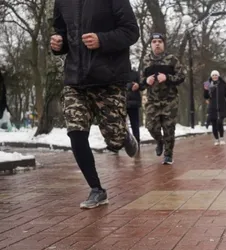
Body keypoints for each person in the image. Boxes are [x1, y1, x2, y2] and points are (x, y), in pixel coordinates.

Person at [50, 0, 140, 209]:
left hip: (109, 78)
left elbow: (131, 31)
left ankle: (123, 135)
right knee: (76, 129)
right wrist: (58, 43)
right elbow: (62, 33)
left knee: (114, 140)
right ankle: (97, 189)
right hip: (75, 79)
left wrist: (102, 39)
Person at [136, 33, 185, 165]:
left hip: (170, 100)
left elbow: (181, 77)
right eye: (154, 42)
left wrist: (168, 78)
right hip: (152, 100)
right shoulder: (146, 61)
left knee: (169, 128)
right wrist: (146, 80)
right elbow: (140, 82)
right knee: (151, 126)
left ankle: (168, 155)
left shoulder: (172, 60)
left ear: (164, 44)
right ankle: (159, 141)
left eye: (159, 41)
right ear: (151, 45)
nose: (157, 44)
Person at [204, 70, 226, 146]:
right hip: (213, 107)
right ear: (211, 76)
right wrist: (205, 90)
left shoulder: (223, 84)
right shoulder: (207, 84)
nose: (215, 76)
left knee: (219, 122)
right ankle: (216, 139)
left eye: (216, 75)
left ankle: (221, 138)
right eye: (213, 75)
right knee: (214, 124)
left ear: (218, 76)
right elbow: (206, 96)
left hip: (221, 106)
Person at [126, 68, 142, 150]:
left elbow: (142, 85)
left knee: (135, 124)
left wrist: (138, 85)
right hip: (121, 102)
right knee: (120, 125)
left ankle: (137, 143)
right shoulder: (117, 73)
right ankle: (118, 145)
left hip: (133, 103)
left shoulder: (135, 74)